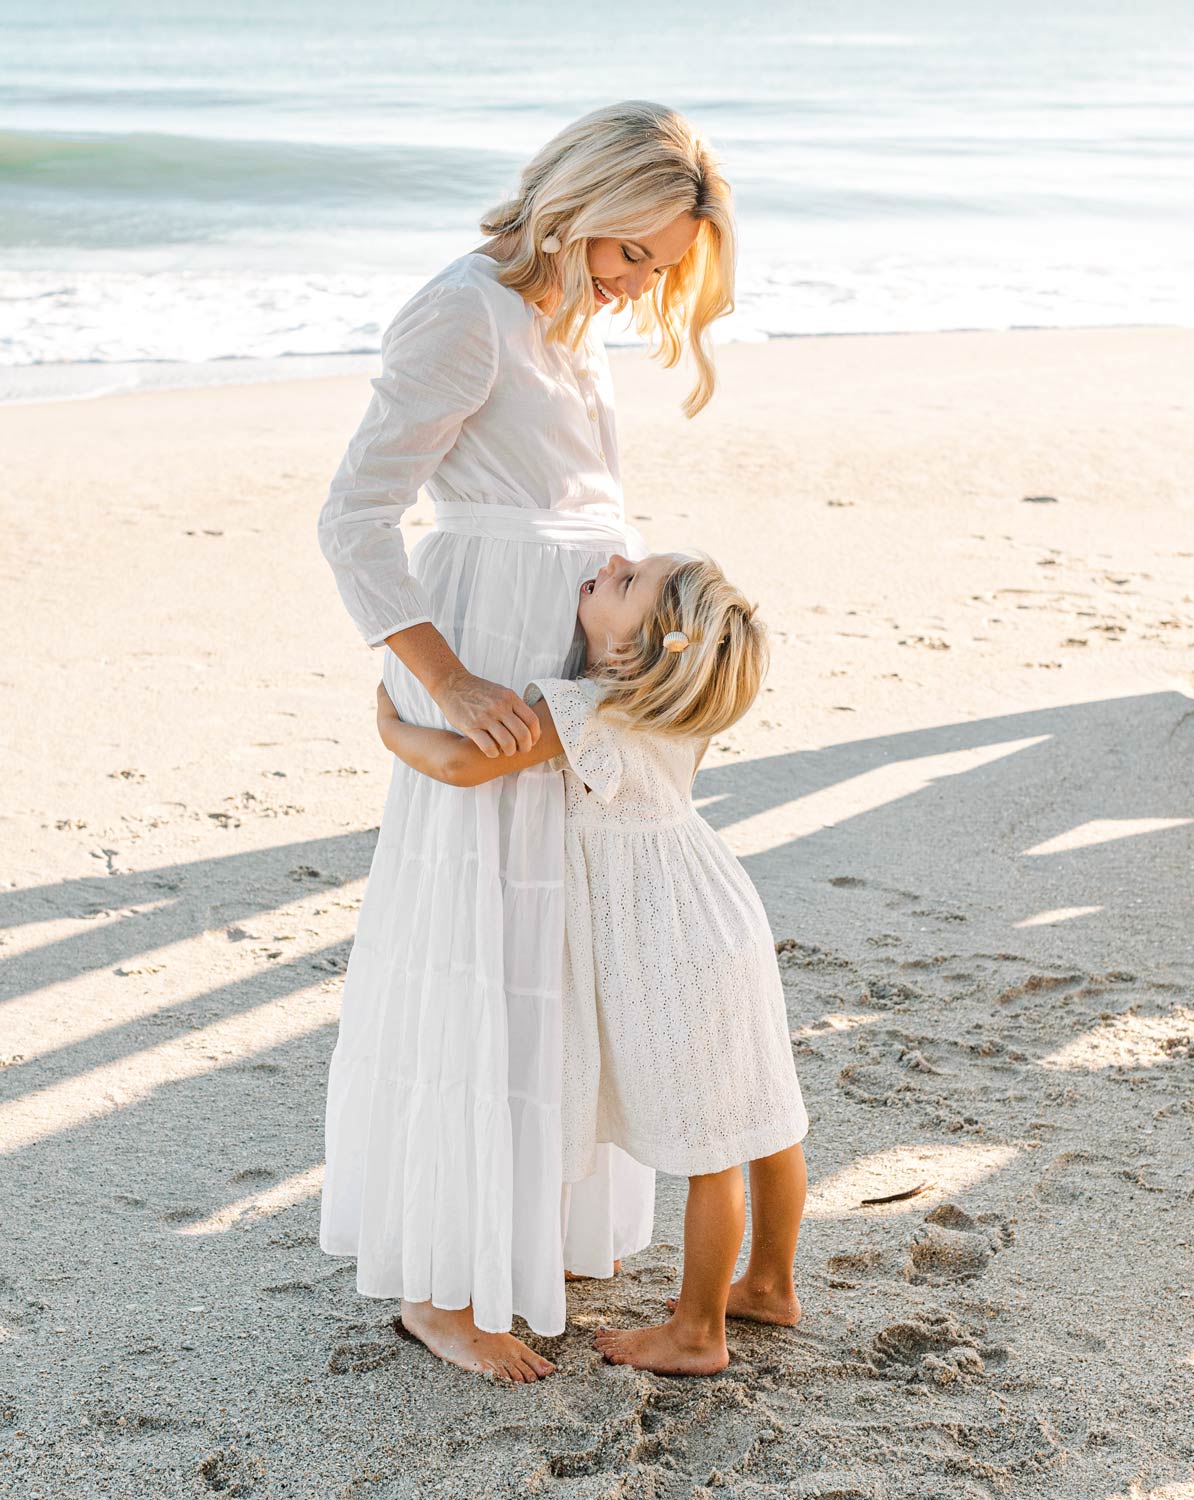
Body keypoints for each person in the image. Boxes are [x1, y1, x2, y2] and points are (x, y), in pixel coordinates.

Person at [315, 100, 737, 1382]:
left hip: (562, 655)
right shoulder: (463, 311)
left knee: (556, 948)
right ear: (575, 208)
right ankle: (445, 1288)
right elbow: (354, 520)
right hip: (489, 651)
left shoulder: (568, 320)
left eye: (659, 269)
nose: (638, 287)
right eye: (631, 256)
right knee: (474, 950)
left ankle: (522, 1230)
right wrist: (441, 677)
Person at [376, 549, 810, 1376]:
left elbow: (465, 764)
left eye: (625, 582)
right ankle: (770, 1284)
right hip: (723, 913)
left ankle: (697, 1332)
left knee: (710, 1153)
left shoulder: (588, 709)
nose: (610, 562)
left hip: (669, 942)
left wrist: (391, 726)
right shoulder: (684, 707)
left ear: (637, 645)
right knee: (764, 1116)